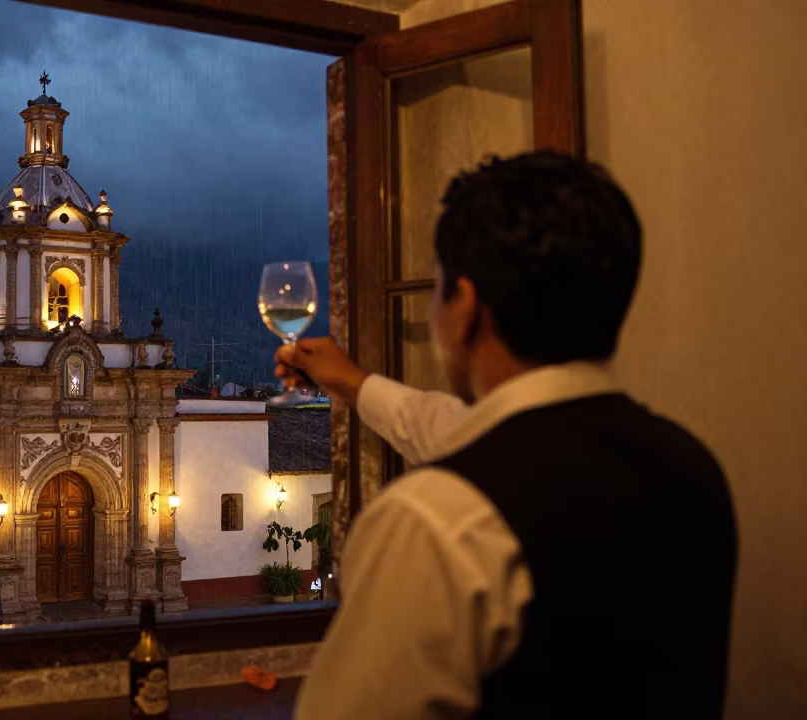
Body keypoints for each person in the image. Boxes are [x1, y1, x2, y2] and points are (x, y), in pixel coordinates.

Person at [280, 152, 737, 720]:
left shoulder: (433, 523)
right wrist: (354, 383)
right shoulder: (692, 466)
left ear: (465, 307)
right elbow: (455, 430)